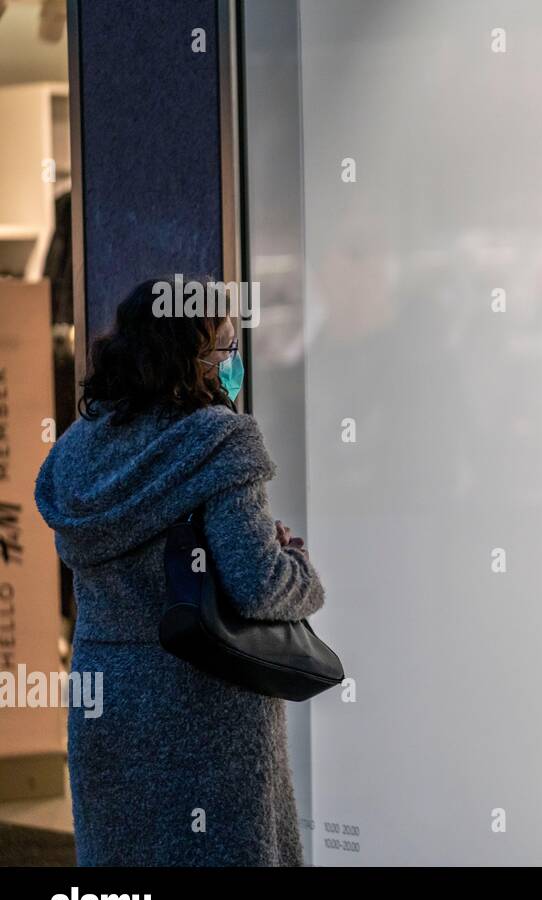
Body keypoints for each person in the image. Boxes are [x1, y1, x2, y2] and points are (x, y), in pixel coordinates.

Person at [34, 278, 325, 866]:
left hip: (106, 698)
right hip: (204, 704)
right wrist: (298, 566)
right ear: (188, 358)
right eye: (223, 349)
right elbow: (259, 582)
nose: (231, 363)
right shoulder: (218, 441)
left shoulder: (75, 449)